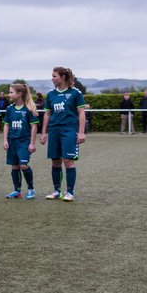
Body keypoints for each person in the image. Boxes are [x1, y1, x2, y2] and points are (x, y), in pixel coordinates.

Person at [39, 66, 86, 201]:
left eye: (55, 76)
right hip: (54, 131)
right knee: (55, 162)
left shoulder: (75, 93)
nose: (52, 78)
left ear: (63, 77)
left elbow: (81, 113)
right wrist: (44, 133)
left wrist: (81, 132)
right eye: (52, 76)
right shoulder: (51, 94)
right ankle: (56, 190)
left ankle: (70, 192)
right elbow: (47, 114)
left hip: (69, 131)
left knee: (68, 161)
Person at [2, 81, 39, 200]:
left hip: (24, 142)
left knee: (23, 165)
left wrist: (32, 143)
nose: (9, 94)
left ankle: (31, 189)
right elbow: (6, 125)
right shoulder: (9, 109)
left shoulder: (28, 109)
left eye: (11, 92)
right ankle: (17, 190)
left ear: (19, 94)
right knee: (14, 166)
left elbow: (34, 126)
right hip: (12, 141)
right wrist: (5, 140)